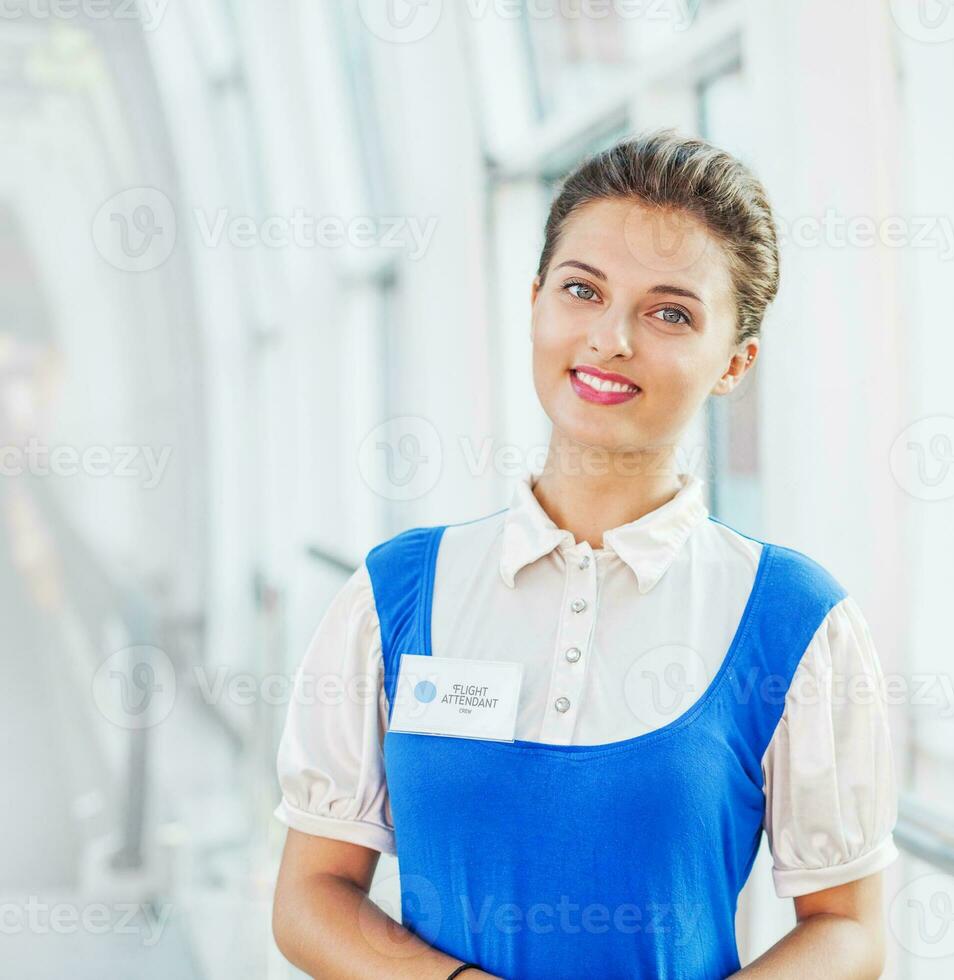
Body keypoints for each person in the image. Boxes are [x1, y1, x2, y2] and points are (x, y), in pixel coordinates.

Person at [270, 129, 898, 979]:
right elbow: (311, 893)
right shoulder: (395, 594)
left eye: (670, 312)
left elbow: (850, 930)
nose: (611, 339)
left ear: (735, 363)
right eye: (582, 290)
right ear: (535, 301)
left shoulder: (794, 619)